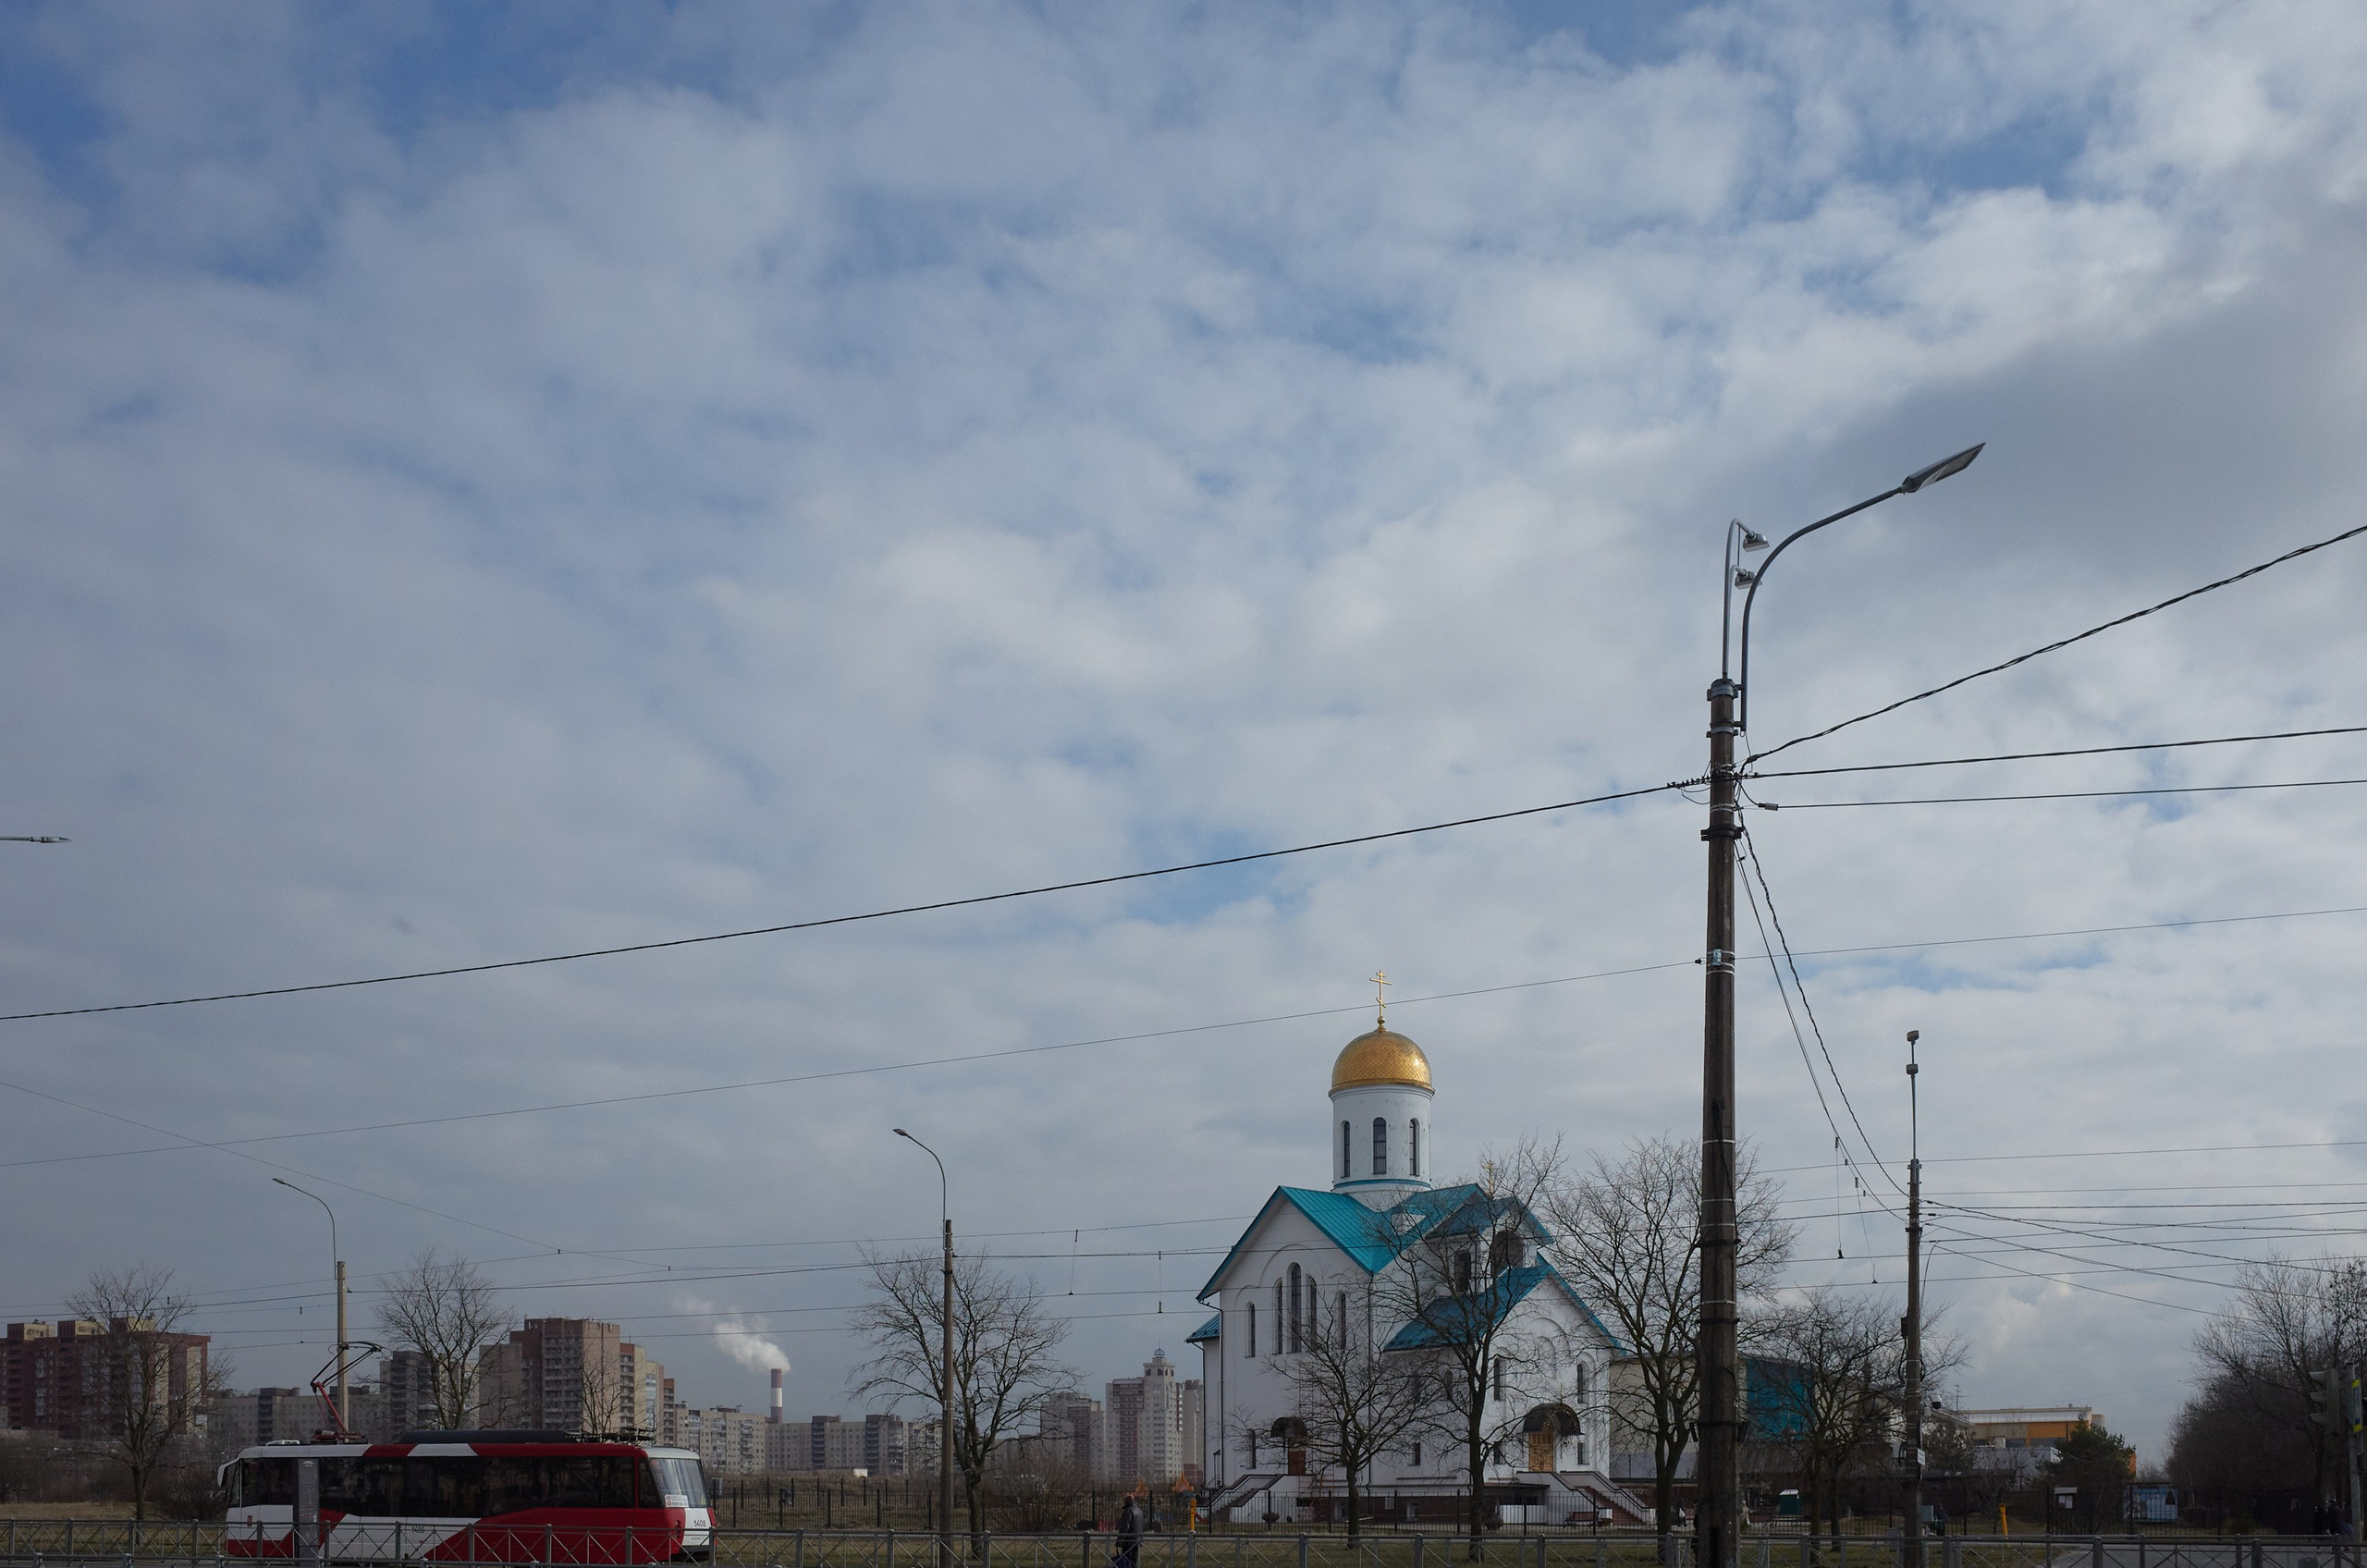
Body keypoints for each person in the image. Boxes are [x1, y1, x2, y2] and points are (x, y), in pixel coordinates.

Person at [1113, 1493, 1145, 1568]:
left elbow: (1125, 1528)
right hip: (1137, 1540)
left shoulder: (1128, 1511)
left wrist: (1119, 1542)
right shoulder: (1139, 1510)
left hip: (1128, 1541)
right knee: (1134, 1562)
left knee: (1126, 1562)